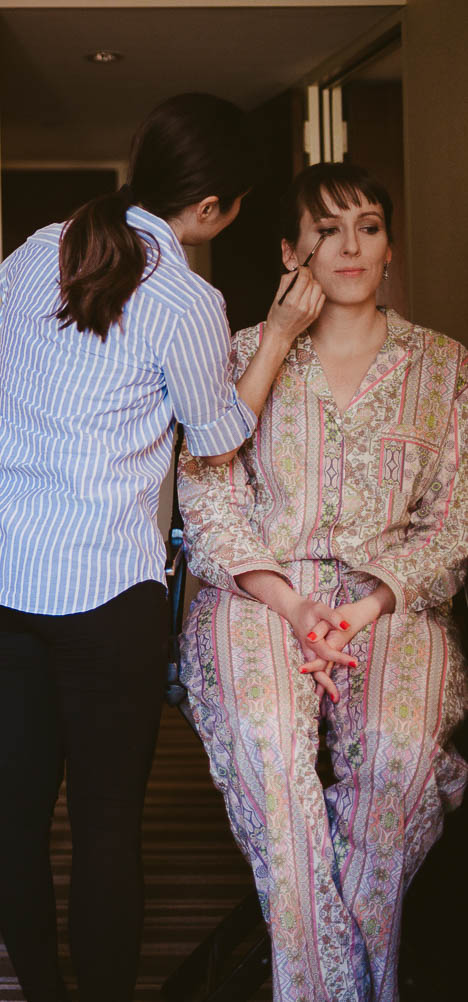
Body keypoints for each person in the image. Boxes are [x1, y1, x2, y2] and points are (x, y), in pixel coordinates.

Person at [0, 92, 325, 1001]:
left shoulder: (36, 250)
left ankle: (44, 990)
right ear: (212, 210)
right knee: (107, 822)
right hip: (100, 591)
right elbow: (215, 436)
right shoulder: (187, 300)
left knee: (19, 800)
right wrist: (276, 335)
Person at [177, 162, 467, 1002]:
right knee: (272, 747)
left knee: (403, 756)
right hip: (262, 590)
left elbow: (450, 524)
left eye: (368, 226)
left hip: (390, 597)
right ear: (289, 253)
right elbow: (206, 487)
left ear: (388, 244)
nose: (350, 246)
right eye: (328, 229)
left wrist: (366, 605)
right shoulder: (240, 355)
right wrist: (296, 604)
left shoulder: (443, 367)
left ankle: (329, 972)